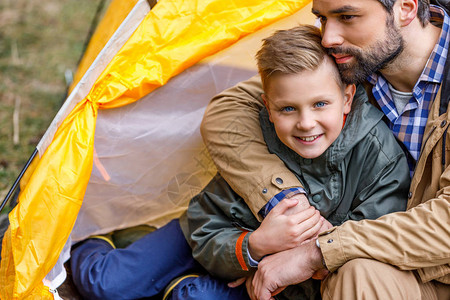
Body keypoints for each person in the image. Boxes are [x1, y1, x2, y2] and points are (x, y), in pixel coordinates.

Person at [69, 24, 410, 300]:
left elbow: (363, 247)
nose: (306, 123)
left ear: (347, 98)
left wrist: (276, 263)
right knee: (107, 284)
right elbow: (206, 221)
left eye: (320, 104)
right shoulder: (259, 135)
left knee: (193, 296)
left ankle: (175, 279)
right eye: (288, 108)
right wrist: (255, 245)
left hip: (284, 282)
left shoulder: (378, 157)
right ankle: (105, 239)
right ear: (267, 105)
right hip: (221, 241)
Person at [200, 0, 450, 299]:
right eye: (322, 18)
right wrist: (288, 202)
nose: (328, 37)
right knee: (360, 272)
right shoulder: (355, 62)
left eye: (347, 16)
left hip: (439, 266)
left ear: (405, 9)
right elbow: (229, 108)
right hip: (387, 265)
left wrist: (316, 250)